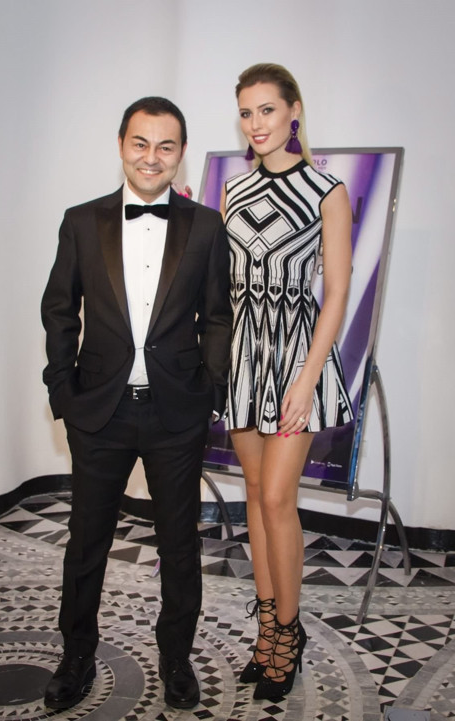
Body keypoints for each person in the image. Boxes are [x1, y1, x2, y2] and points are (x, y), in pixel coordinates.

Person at [41, 96, 232, 710]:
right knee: (86, 541)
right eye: (140, 143)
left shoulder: (206, 226)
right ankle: (75, 656)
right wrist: (63, 391)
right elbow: (59, 309)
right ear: (122, 145)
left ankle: (176, 658)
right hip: (100, 411)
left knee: (180, 544)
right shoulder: (81, 221)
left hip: (178, 413)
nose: (152, 157)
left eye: (166, 146)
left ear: (181, 153)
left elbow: (218, 317)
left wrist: (210, 390)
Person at [221, 64, 354, 701]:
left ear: (293, 110)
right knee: (253, 493)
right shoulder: (233, 191)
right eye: (247, 113)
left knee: (278, 498)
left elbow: (337, 296)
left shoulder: (328, 191)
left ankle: (288, 632)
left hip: (297, 363)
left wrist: (306, 381)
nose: (257, 124)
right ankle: (266, 626)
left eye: (267, 110)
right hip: (243, 362)